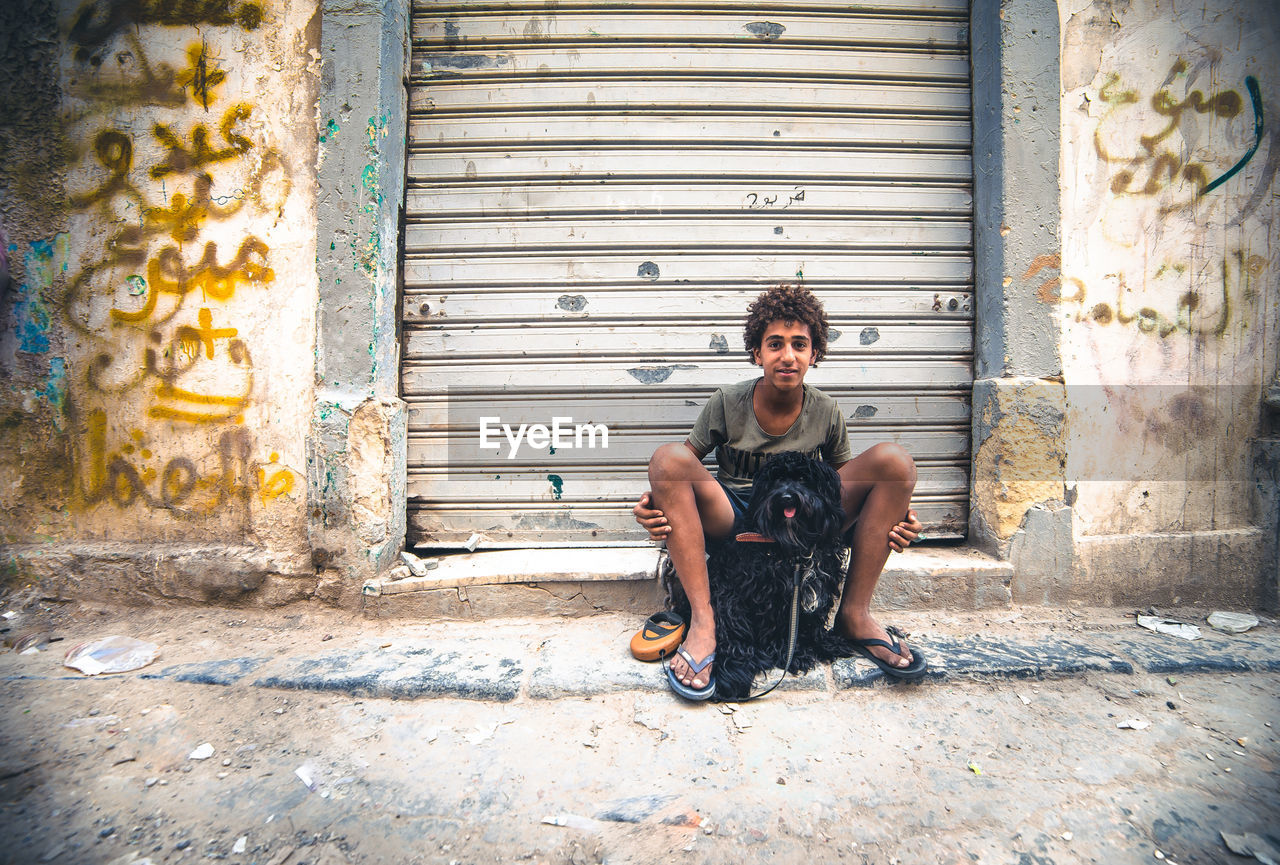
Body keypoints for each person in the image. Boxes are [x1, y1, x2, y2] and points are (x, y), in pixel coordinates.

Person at [633, 284, 924, 698]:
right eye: (775, 344)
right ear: (757, 353)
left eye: (799, 345)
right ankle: (703, 622)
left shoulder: (825, 410)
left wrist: (895, 515)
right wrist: (654, 502)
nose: (787, 356)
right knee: (665, 459)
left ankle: (855, 615)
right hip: (736, 511)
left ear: (814, 354)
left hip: (804, 513)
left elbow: (843, 486)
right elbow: (682, 465)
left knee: (895, 463)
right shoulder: (727, 402)